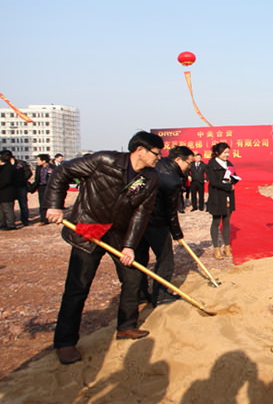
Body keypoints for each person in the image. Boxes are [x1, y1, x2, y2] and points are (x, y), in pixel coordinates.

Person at [44, 131, 163, 365]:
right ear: (140, 151)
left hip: (118, 234)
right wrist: (54, 206)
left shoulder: (150, 178)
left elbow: (142, 213)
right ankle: (65, 342)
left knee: (132, 279)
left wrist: (130, 246)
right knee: (78, 286)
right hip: (88, 231)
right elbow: (62, 172)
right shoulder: (103, 161)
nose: (159, 158)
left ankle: (127, 326)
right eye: (156, 153)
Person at [135, 145, 194, 306]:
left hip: (137, 222)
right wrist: (177, 234)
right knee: (165, 259)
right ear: (177, 160)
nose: (190, 167)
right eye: (189, 163)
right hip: (156, 222)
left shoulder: (157, 165)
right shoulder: (172, 180)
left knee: (140, 258)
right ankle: (160, 295)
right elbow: (170, 211)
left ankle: (139, 294)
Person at [206, 142, 239, 260]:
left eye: (228, 152)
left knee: (227, 221)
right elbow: (214, 182)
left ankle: (227, 246)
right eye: (225, 152)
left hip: (228, 196)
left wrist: (234, 180)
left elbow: (234, 176)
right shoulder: (211, 165)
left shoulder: (229, 164)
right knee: (216, 222)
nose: (227, 155)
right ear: (217, 153)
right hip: (217, 197)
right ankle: (216, 248)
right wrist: (227, 186)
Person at [8, 151, 32, 226]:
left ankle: (25, 220)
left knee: (23, 204)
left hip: (21, 187)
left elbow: (29, 173)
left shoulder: (21, 163)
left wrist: (22, 180)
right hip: (11, 187)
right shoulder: (5, 164)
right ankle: (10, 220)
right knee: (9, 205)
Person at [30, 153, 54, 226]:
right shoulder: (38, 168)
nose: (37, 162)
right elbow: (37, 179)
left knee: (51, 203)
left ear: (44, 161)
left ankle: (52, 217)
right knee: (42, 203)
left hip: (50, 187)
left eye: (38, 160)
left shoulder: (53, 168)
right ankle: (43, 219)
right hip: (41, 187)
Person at [0, 151, 17, 230]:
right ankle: (2, 223)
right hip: (2, 192)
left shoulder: (9, 168)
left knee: (7, 209)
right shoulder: (3, 167)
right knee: (1, 209)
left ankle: (11, 224)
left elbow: (7, 180)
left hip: (7, 191)